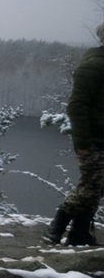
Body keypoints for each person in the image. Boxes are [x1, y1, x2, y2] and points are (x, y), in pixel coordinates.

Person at [43, 22, 104, 246]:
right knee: (90, 187)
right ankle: (56, 227)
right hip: (92, 140)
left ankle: (79, 232)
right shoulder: (94, 66)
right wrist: (84, 142)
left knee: (98, 187)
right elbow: (77, 105)